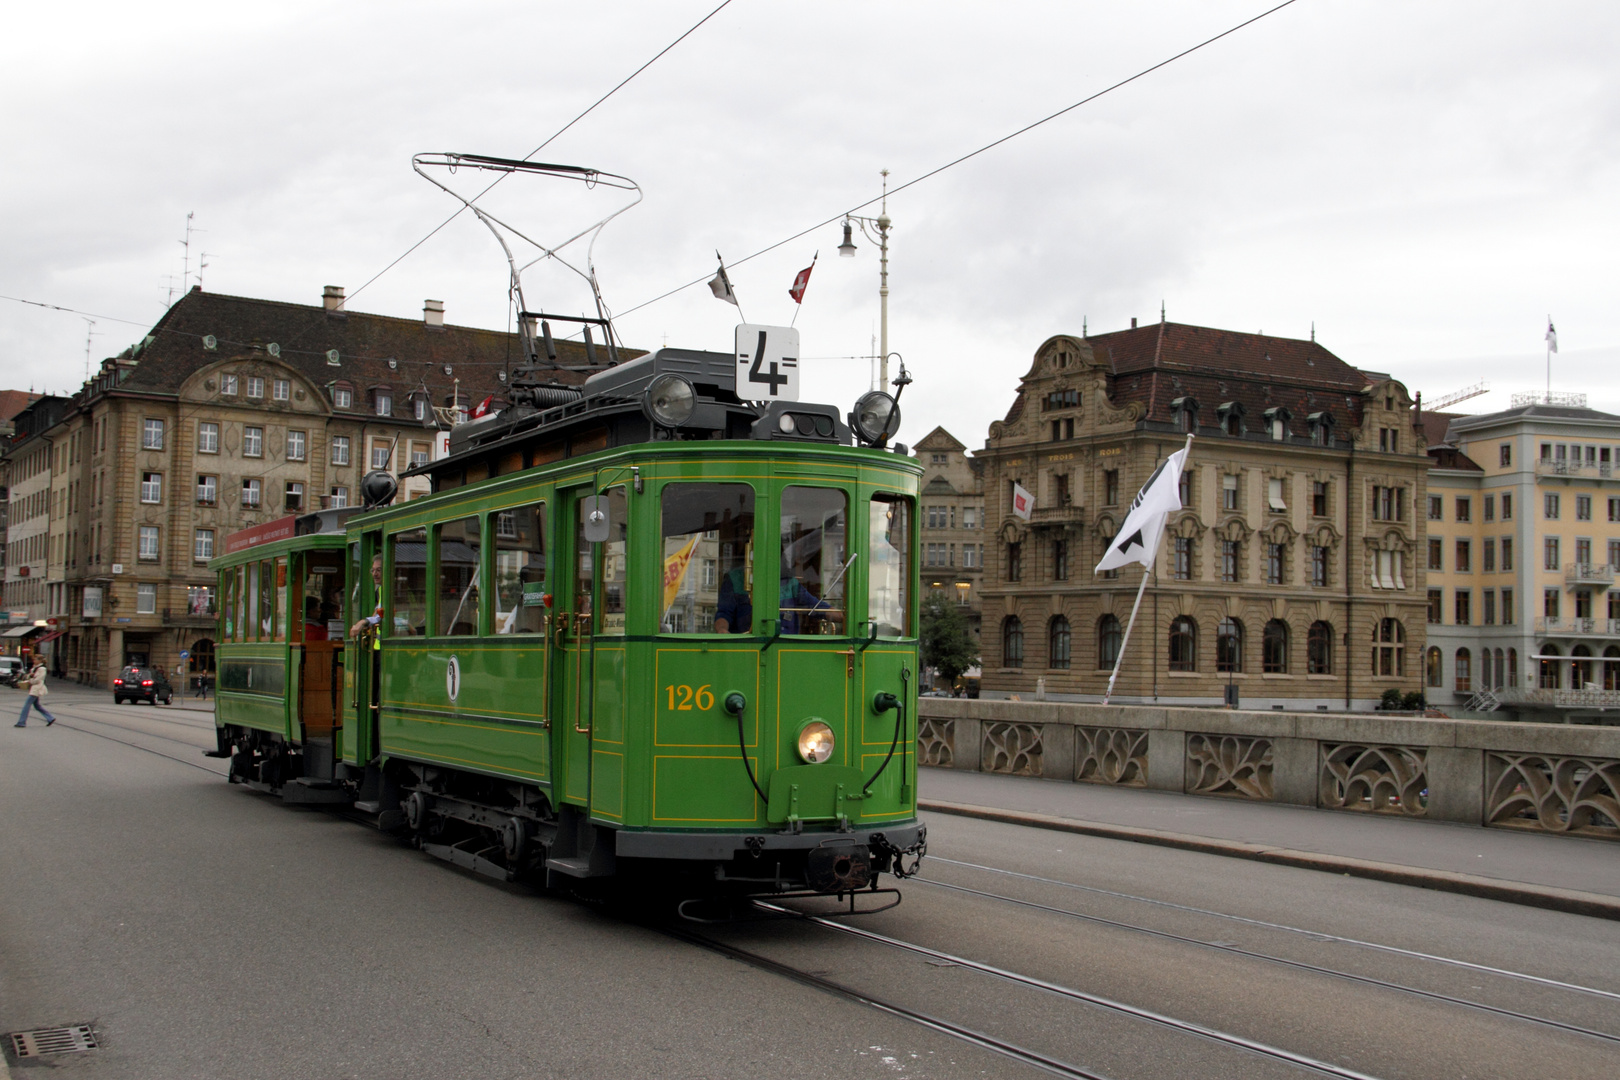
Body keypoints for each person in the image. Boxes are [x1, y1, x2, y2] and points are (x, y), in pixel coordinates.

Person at [714, 567, 840, 635]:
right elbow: (724, 614)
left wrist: (843, 616)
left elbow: (816, 607)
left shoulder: (788, 582)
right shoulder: (735, 579)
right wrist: (722, 630)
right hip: (748, 648)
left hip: (787, 650)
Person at [349, 554, 385, 638]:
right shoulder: (380, 591)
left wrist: (363, 622)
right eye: (373, 570)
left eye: (378, 570)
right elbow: (377, 614)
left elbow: (380, 617)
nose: (374, 574)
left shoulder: (392, 591)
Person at [14, 659, 55, 727]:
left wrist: (30, 681)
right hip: (33, 689)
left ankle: (22, 722)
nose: (34, 661)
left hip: (36, 689)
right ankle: (50, 718)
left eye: (36, 659)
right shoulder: (35, 668)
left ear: (40, 661)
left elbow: (38, 680)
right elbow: (28, 676)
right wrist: (30, 676)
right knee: (37, 706)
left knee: (27, 705)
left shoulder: (42, 669)